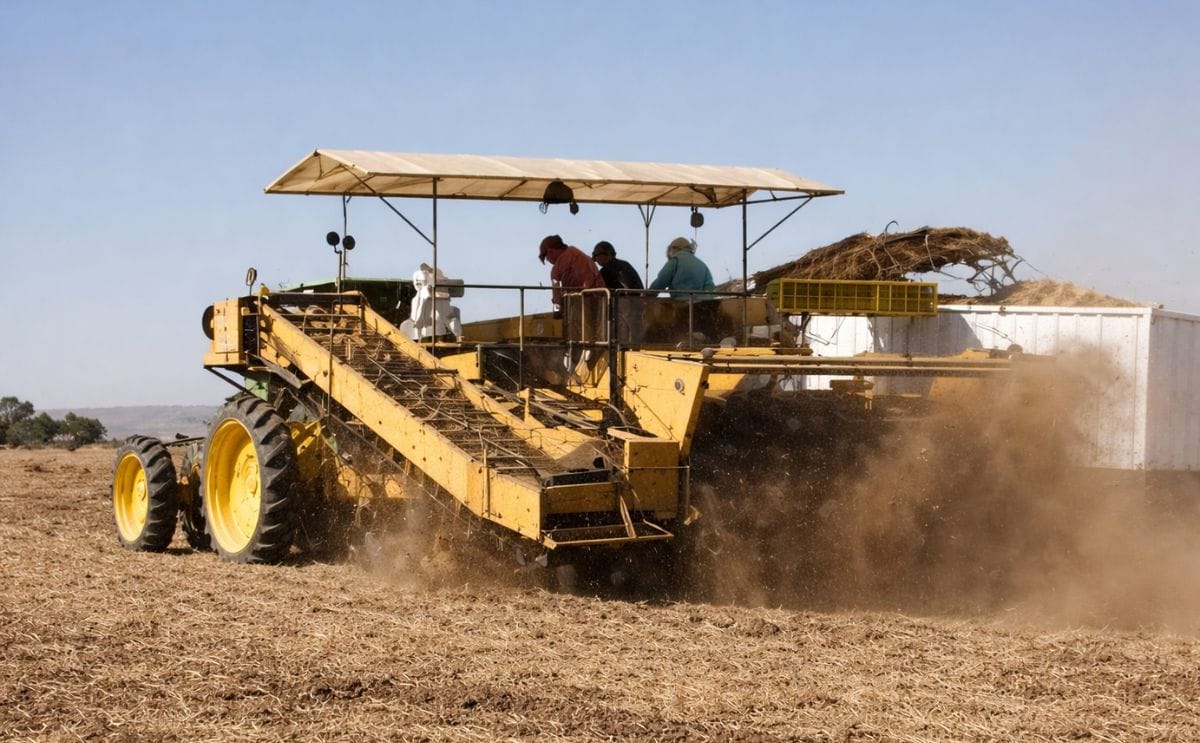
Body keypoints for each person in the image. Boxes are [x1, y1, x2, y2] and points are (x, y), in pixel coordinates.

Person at [649, 237, 721, 342]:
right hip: (704, 309)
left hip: (682, 308)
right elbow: (710, 289)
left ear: (672, 249)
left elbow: (660, 283)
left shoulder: (675, 261)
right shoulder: (702, 264)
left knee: (678, 337)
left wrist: (646, 297)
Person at [592, 241, 645, 342]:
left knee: (621, 334)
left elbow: (597, 289)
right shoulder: (625, 264)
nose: (596, 260)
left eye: (596, 256)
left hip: (623, 304)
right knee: (635, 334)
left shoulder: (606, 270)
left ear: (607, 254)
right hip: (638, 302)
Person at [538, 234, 602, 309]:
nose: (548, 260)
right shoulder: (580, 254)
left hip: (580, 306)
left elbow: (557, 300)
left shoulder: (557, 268)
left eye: (546, 257)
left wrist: (557, 310)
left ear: (550, 252)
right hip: (601, 301)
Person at [649, 237, 715, 298]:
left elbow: (661, 281)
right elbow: (710, 287)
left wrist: (648, 294)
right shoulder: (703, 265)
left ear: (673, 249)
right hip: (699, 306)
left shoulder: (675, 261)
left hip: (679, 304)